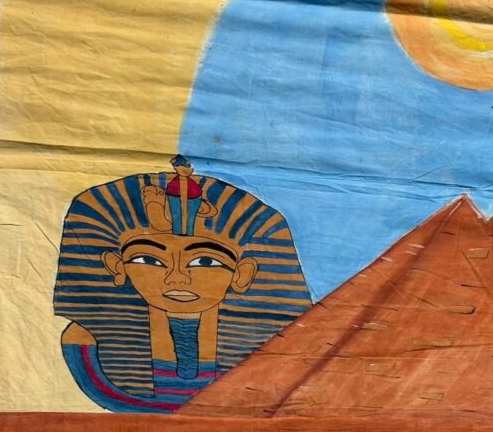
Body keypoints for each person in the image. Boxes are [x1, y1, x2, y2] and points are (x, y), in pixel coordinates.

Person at [54, 157, 311, 412]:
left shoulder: (277, 351)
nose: (176, 278)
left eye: (205, 261)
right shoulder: (84, 341)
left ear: (242, 274)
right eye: (149, 260)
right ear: (117, 267)